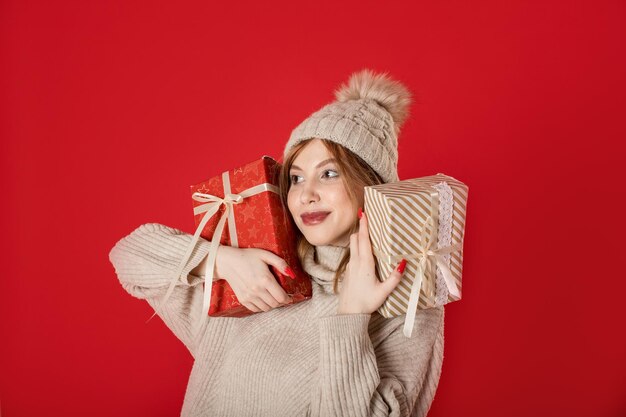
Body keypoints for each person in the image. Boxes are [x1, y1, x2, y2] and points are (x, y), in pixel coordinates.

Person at [109, 69, 445, 417]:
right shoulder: (262, 271)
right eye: (296, 178)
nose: (306, 195)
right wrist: (221, 260)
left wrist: (352, 315)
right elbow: (128, 257)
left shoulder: (407, 296)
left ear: (371, 185)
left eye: (329, 173)